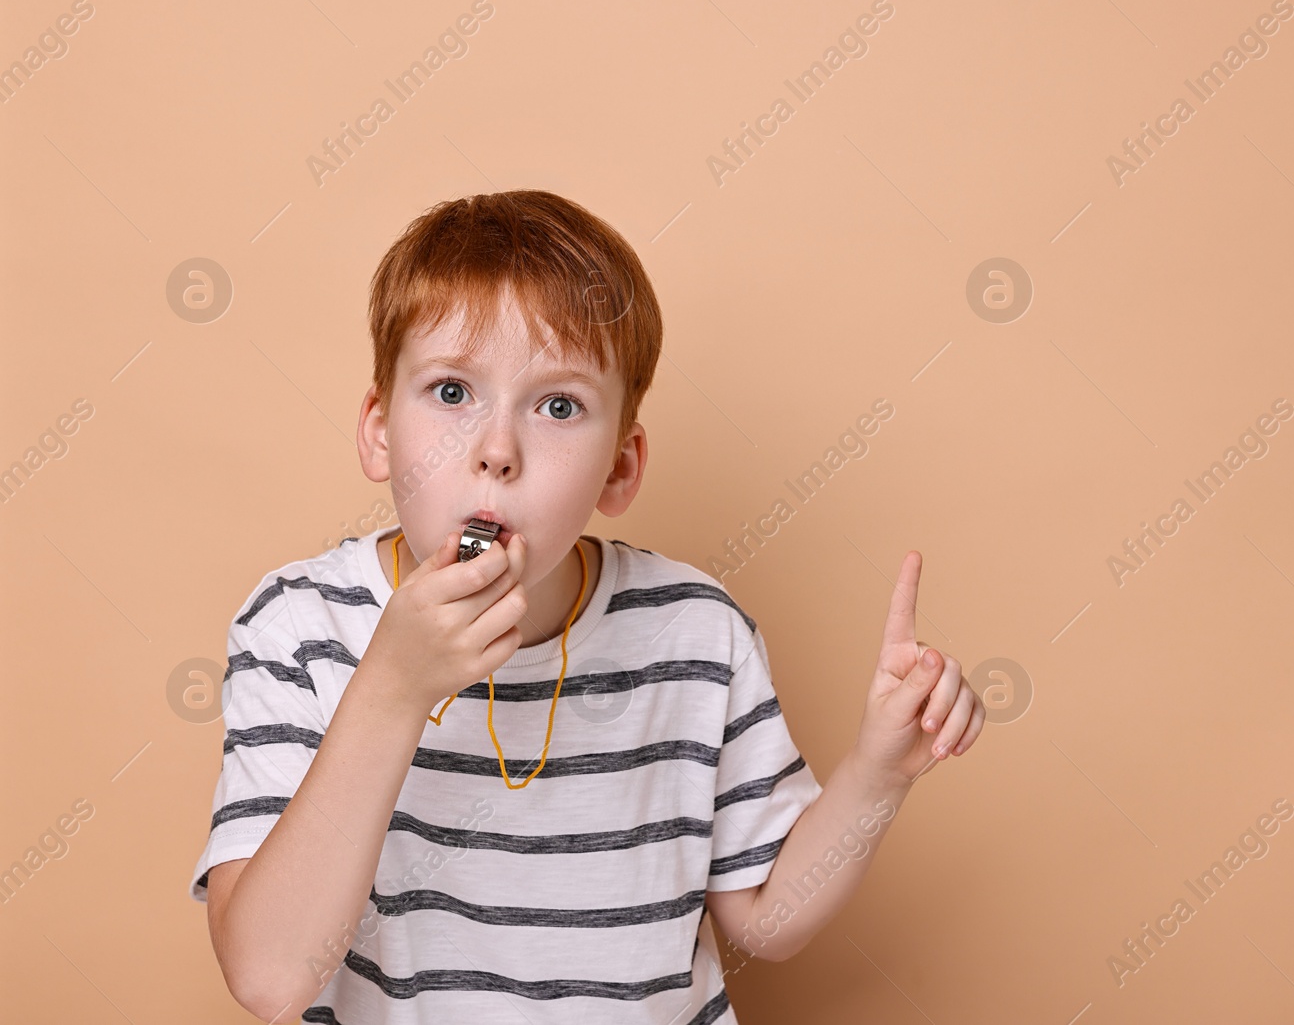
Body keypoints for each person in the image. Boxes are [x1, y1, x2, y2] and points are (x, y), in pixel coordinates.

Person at [189, 189, 985, 1024]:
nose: (498, 451)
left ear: (620, 467)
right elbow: (270, 976)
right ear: (379, 430)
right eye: (452, 391)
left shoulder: (697, 634)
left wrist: (878, 775)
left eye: (558, 405)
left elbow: (769, 919)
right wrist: (391, 688)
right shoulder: (299, 627)